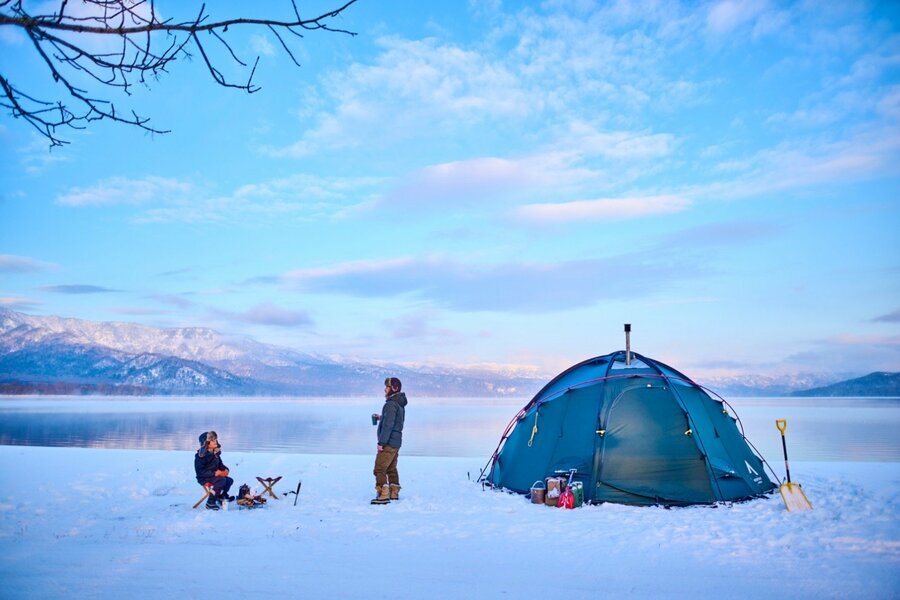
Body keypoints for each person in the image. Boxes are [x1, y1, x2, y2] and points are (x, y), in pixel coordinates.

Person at [371, 377, 408, 504]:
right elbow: (395, 421)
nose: (385, 389)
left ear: (394, 388)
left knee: (379, 468)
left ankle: (383, 494)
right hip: (397, 441)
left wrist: (381, 443)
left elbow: (388, 426)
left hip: (389, 442)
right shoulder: (399, 403)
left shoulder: (390, 404)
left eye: (387, 387)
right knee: (391, 468)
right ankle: (394, 492)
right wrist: (382, 417)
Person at [194, 430, 234, 511]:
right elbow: (200, 472)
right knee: (221, 480)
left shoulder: (215, 454)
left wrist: (226, 470)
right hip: (204, 477)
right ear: (206, 443)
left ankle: (221, 496)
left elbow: (221, 465)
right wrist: (214, 473)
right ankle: (210, 502)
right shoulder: (200, 457)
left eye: (215, 440)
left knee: (229, 480)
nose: (215, 441)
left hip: (214, 476)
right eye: (212, 440)